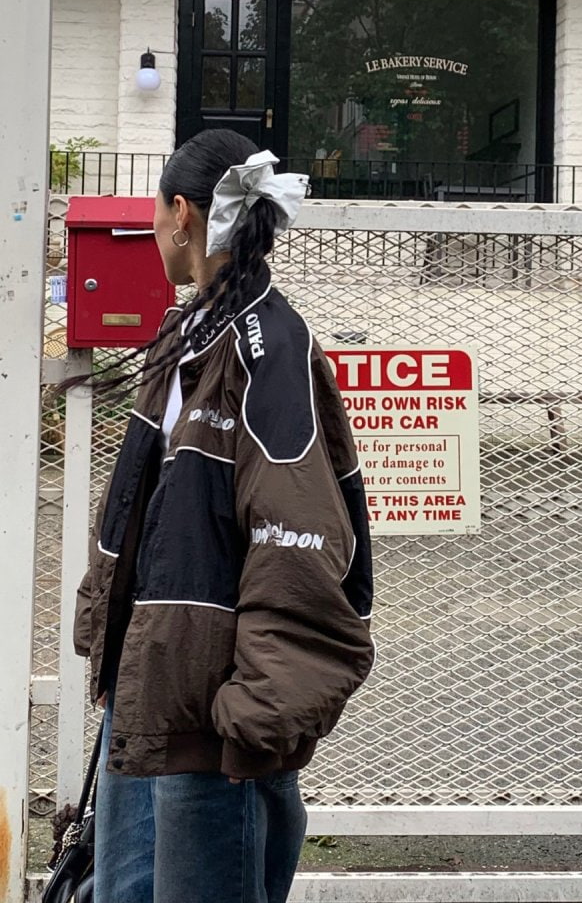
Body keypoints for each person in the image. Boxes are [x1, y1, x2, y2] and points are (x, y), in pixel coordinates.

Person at [68, 129, 375, 903]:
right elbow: (143, 513)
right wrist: (109, 655)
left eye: (155, 213)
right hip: (151, 705)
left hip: (219, 733)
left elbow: (300, 541)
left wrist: (256, 718)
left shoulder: (270, 346)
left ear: (181, 213)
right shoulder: (186, 334)